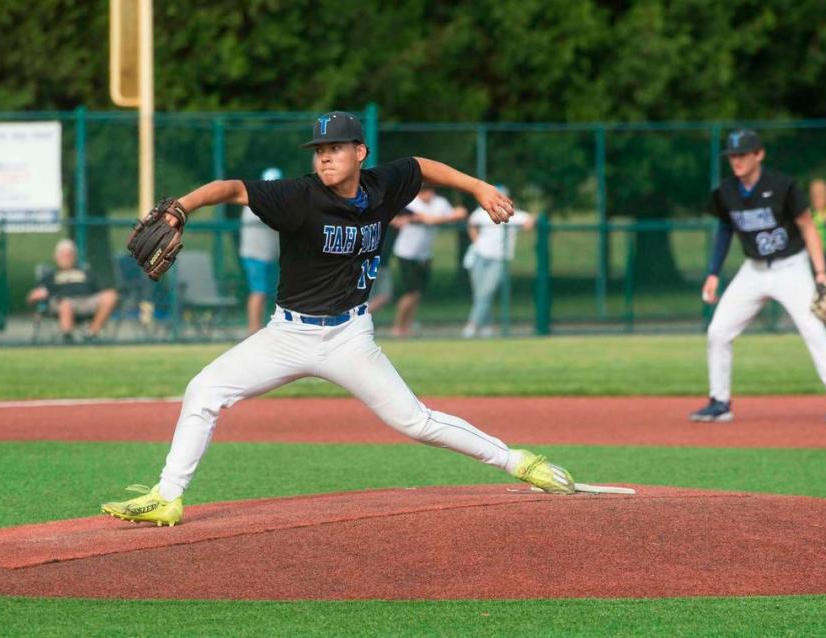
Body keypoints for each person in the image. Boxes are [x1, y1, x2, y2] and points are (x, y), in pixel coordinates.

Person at [101, 111, 575, 527]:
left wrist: (479, 187)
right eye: (319, 150)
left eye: (335, 148)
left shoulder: (383, 185)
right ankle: (166, 497)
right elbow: (234, 189)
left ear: (360, 152)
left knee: (415, 422)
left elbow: (422, 167)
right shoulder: (298, 197)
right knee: (204, 390)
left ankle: (519, 462)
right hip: (286, 334)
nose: (325, 157)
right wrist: (183, 206)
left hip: (350, 336)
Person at [690, 129, 826, 425]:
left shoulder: (783, 186)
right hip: (753, 270)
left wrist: (820, 274)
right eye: (732, 156)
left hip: (791, 267)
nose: (736, 160)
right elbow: (725, 230)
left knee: (814, 328)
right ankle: (719, 401)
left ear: (759, 154)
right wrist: (713, 272)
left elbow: (807, 227)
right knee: (718, 331)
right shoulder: (725, 192)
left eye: (742, 154)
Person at [390, 185, 467, 337]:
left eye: (430, 191)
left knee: (418, 293)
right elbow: (424, 219)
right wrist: (417, 218)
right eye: (424, 191)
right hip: (407, 253)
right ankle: (397, 327)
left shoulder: (440, 203)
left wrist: (442, 218)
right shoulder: (411, 203)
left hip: (424, 255)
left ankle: (408, 326)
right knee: (411, 293)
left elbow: (460, 213)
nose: (428, 194)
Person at [462, 186, 535, 338]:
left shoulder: (514, 214)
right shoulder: (482, 211)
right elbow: (471, 223)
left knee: (486, 292)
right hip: (479, 256)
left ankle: (472, 326)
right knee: (480, 294)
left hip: (499, 259)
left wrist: (530, 222)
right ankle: (486, 326)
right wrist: (476, 242)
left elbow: (530, 218)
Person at [26, 239, 118, 343]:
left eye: (69, 254)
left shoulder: (86, 272)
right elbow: (33, 297)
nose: (66, 258)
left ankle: (92, 333)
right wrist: (35, 298)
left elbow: (100, 289)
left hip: (87, 301)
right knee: (65, 303)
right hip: (63, 302)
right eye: (63, 255)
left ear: (74, 256)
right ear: (56, 257)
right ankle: (67, 337)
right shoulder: (50, 276)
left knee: (111, 295)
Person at [240, 167, 282, 334]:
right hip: (255, 255)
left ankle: (261, 329)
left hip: (268, 256)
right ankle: (253, 330)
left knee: (267, 293)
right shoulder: (256, 200)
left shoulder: (274, 200)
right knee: (259, 291)